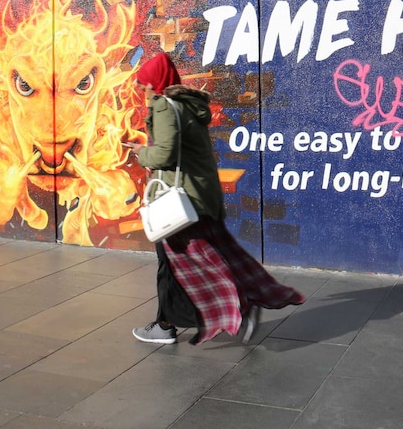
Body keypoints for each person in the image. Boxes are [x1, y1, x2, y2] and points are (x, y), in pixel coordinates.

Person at [128, 51, 305, 345]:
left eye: (144, 84)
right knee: (190, 261)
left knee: (177, 263)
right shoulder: (187, 105)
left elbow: (164, 154)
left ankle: (188, 319)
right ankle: (173, 321)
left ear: (154, 84)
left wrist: (140, 153)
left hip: (182, 197)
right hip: (199, 194)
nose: (142, 90)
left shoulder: (163, 106)